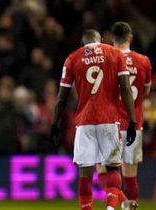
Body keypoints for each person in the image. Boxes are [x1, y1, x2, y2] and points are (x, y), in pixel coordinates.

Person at [50, 29, 136, 210]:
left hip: (84, 121)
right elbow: (126, 89)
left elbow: (61, 97)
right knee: (112, 167)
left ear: (82, 44)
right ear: (102, 40)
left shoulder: (73, 58)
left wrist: (55, 123)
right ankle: (111, 207)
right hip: (110, 119)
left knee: (85, 172)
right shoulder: (115, 53)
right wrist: (133, 121)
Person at [96, 21, 152, 210]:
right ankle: (130, 205)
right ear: (130, 38)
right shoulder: (143, 61)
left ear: (112, 38)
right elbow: (146, 90)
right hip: (133, 125)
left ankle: (122, 203)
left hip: (109, 123)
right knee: (130, 173)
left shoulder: (106, 59)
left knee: (104, 170)